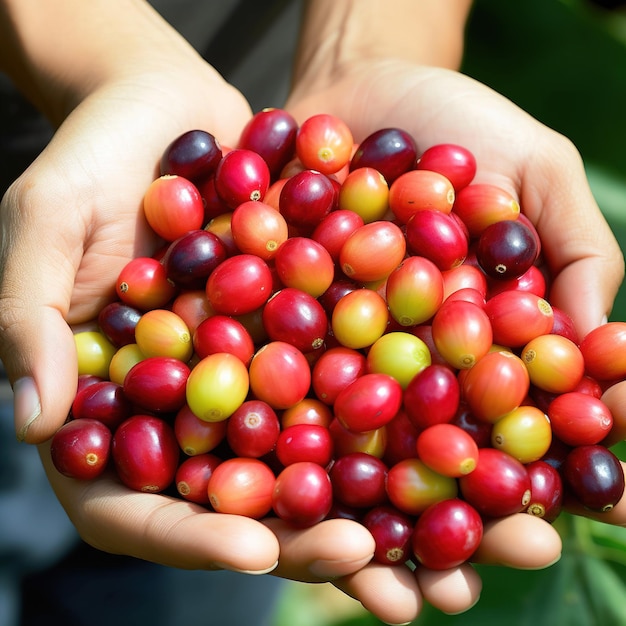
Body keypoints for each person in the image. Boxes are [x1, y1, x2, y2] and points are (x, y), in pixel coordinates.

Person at [0, 1, 625, 625]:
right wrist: (113, 67)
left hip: (256, 87)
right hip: (47, 217)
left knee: (209, 579)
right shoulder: (233, 290)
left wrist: (367, 53)